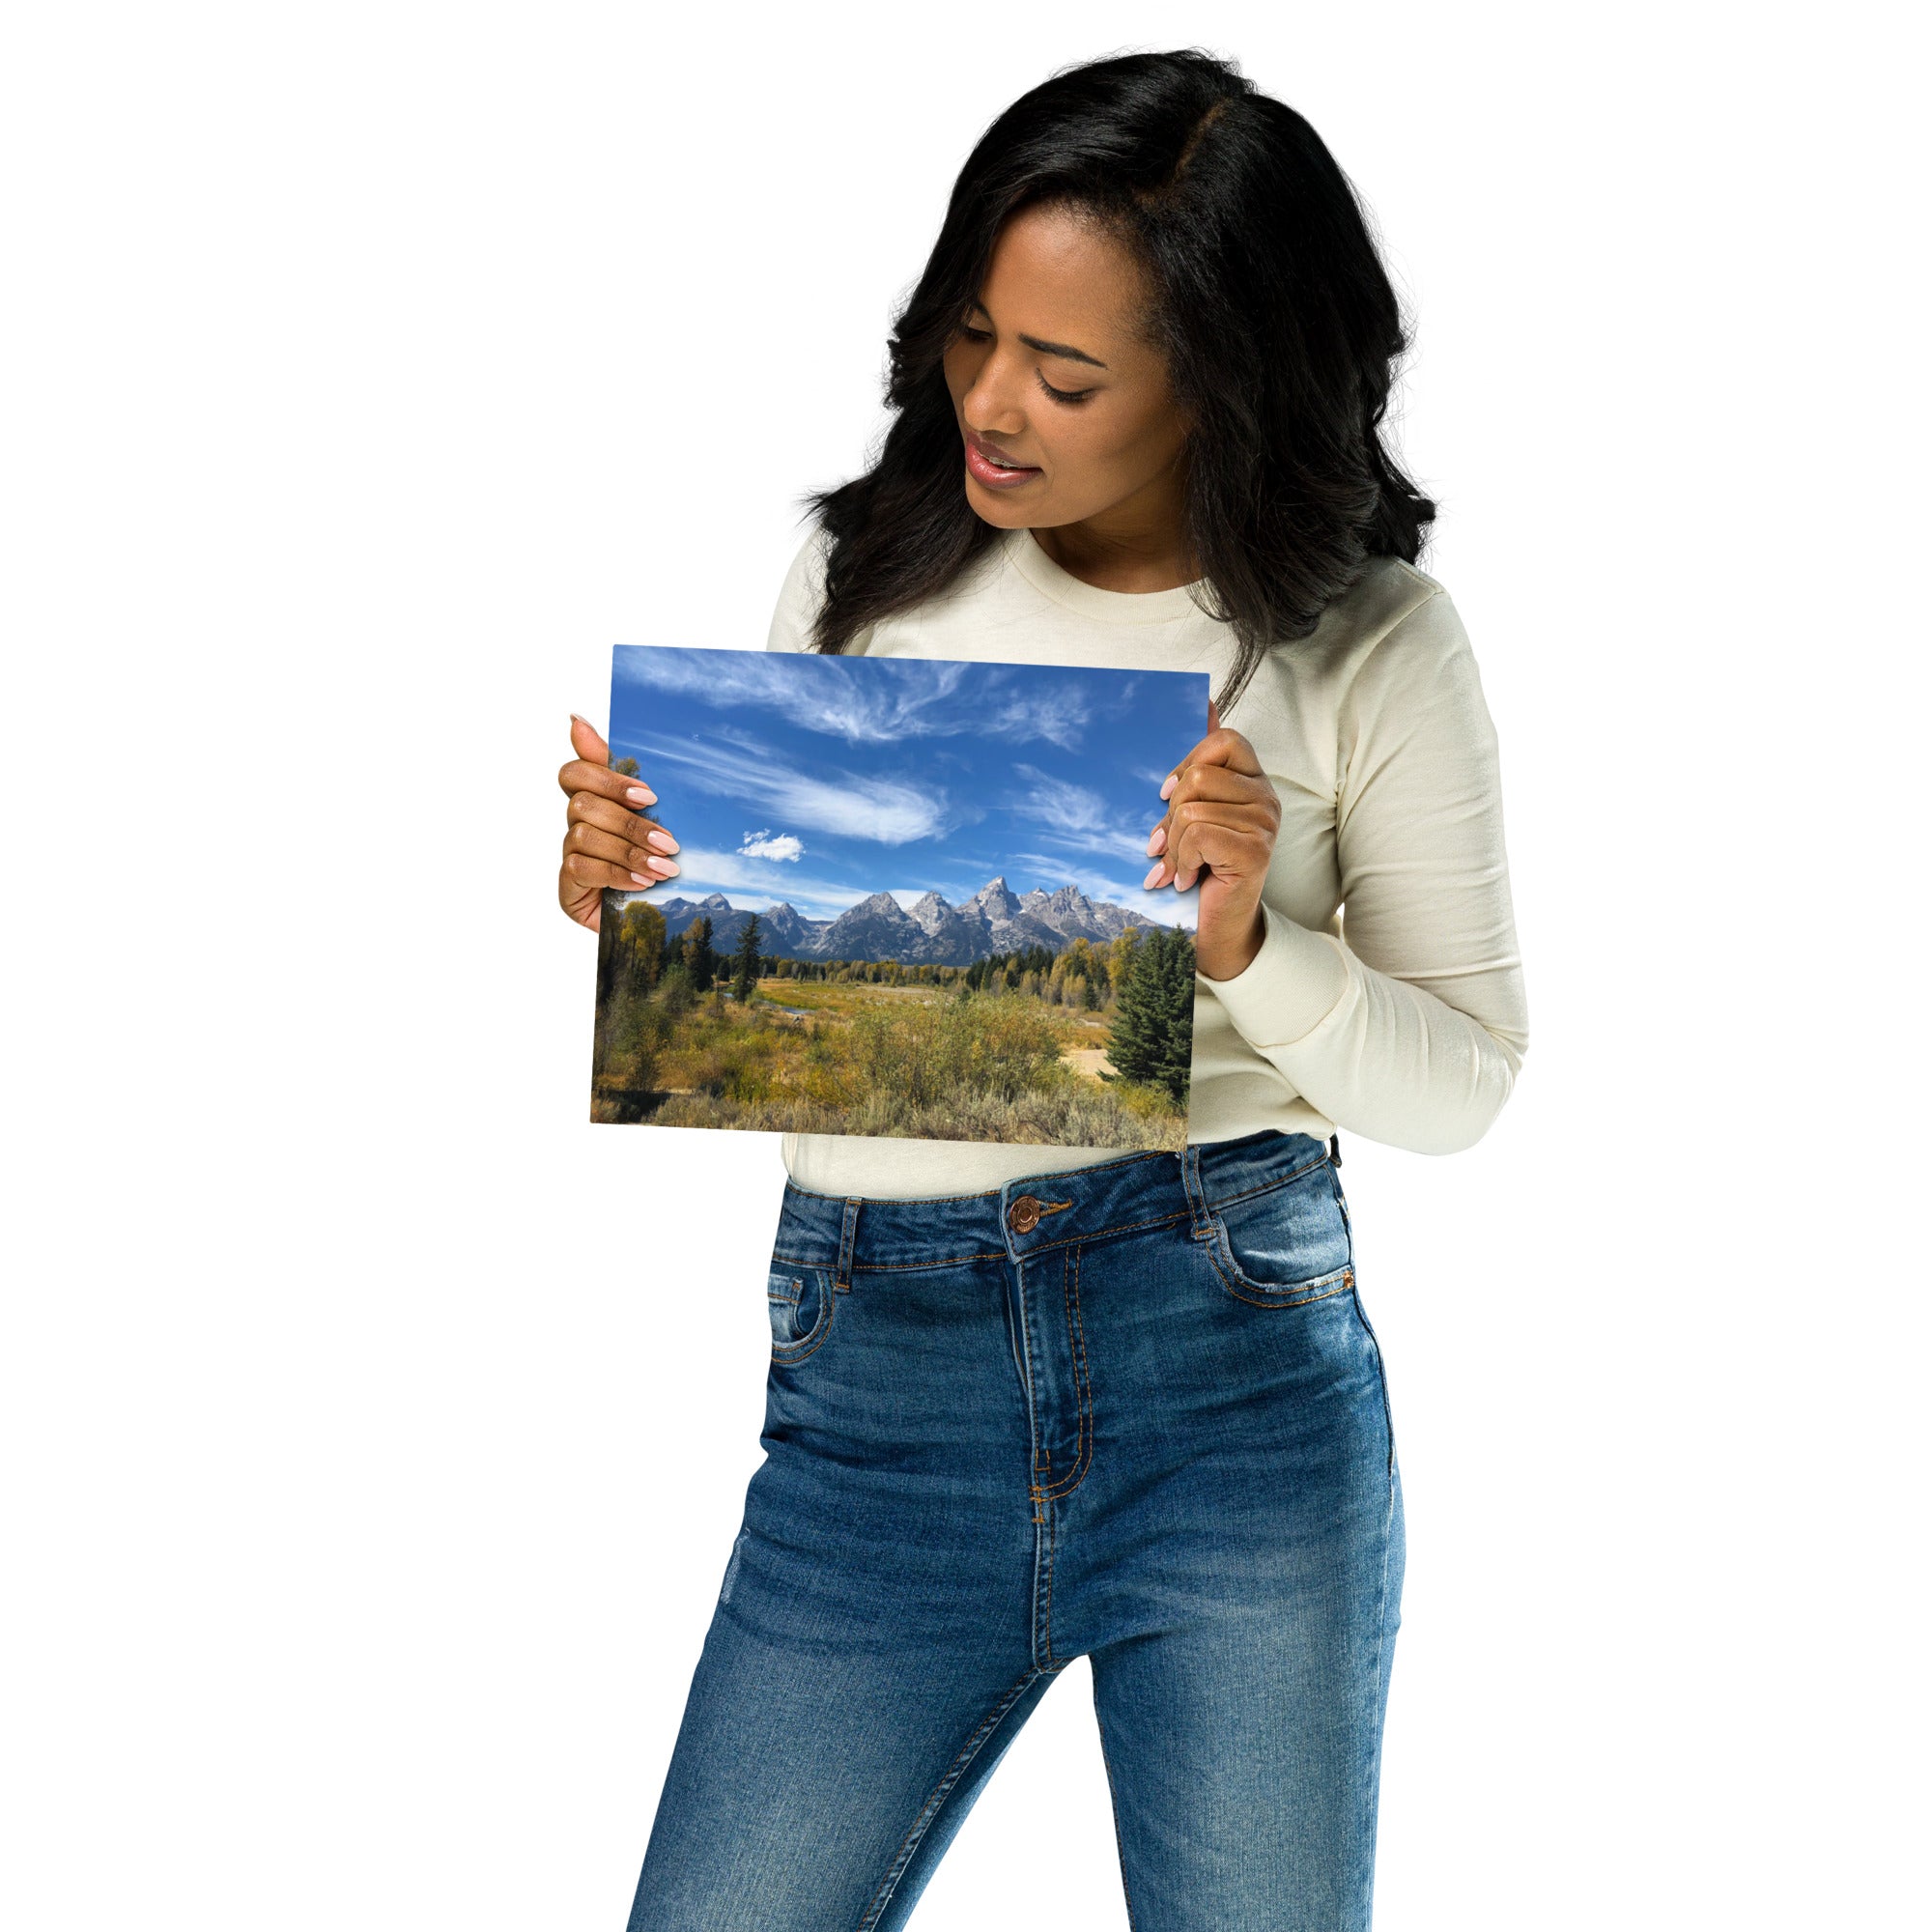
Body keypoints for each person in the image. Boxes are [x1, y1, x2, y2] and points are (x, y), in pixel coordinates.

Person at [557, 48, 1528, 1931]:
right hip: (872, 1403)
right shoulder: (860, 577)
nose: (993, 405)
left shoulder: (1371, 644)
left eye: (1066, 374)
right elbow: (805, 1042)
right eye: (970, 336)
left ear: (1221, 386)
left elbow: (1466, 1084)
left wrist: (1251, 941)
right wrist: (640, 910)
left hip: (1226, 1374)